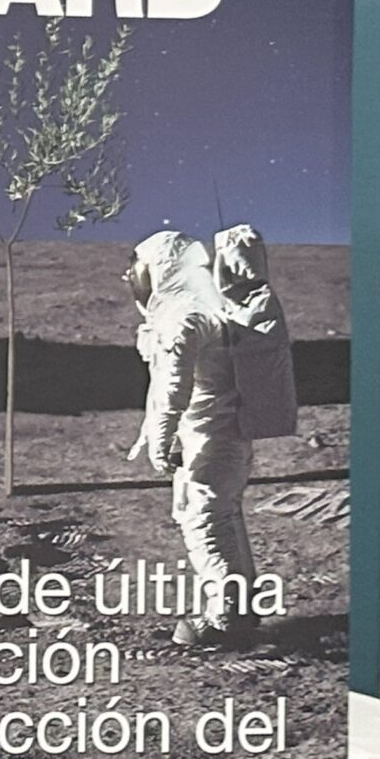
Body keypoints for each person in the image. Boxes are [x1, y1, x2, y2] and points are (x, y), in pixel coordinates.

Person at [126, 227, 267, 648]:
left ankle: (223, 620)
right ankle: (240, 607)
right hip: (223, 435)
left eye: (139, 271)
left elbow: (174, 385)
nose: (131, 279)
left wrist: (161, 437)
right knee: (224, 516)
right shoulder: (207, 308)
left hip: (210, 439)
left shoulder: (185, 317)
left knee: (205, 521)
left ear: (162, 270)